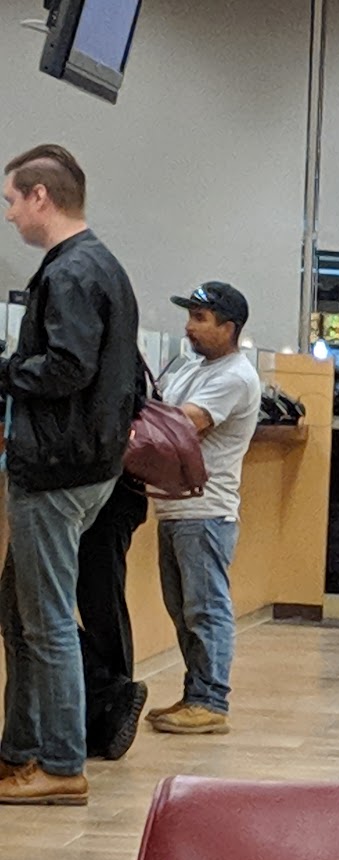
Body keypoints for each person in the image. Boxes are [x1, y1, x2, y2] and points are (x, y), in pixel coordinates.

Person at [0, 144, 141, 808]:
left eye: (11, 200)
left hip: (55, 472)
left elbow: (66, 368)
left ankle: (60, 763)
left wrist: (5, 371)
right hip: (86, 468)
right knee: (20, 611)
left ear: (40, 197)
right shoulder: (101, 266)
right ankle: (19, 749)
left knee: (47, 622)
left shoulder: (72, 273)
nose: (9, 215)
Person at [145, 281, 262, 736]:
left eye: (200, 318)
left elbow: (181, 425)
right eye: (189, 317)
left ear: (229, 328)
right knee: (183, 610)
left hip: (205, 512)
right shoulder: (193, 369)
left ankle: (211, 701)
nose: (189, 327)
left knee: (205, 610)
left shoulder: (234, 377)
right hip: (177, 510)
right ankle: (195, 694)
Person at [75, 473, 151, 760]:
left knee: (101, 607)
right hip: (106, 493)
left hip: (106, 493)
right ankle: (110, 698)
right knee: (102, 606)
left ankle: (111, 701)